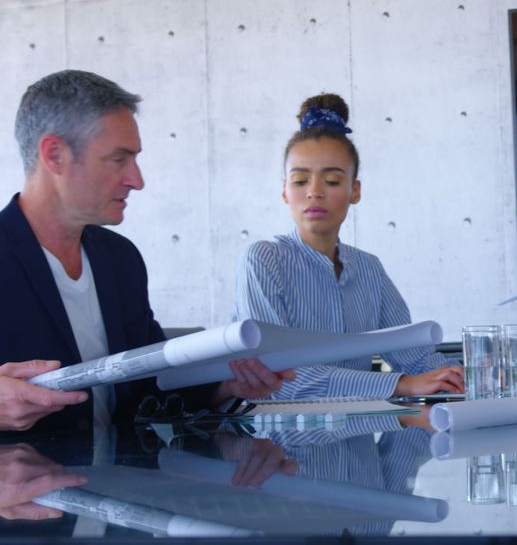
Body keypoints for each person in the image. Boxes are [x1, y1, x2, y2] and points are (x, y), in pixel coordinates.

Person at [0, 70, 290, 434]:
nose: (137, 180)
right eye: (119, 159)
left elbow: (146, 386)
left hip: (119, 487)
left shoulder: (120, 259)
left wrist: (225, 386)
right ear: (54, 154)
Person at [235, 93, 464, 400]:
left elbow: (416, 359)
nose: (314, 192)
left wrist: (458, 377)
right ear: (284, 191)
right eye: (300, 181)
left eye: (331, 181)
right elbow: (280, 376)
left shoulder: (368, 268)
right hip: (275, 443)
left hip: (359, 438)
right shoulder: (263, 260)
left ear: (355, 190)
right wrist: (400, 385)